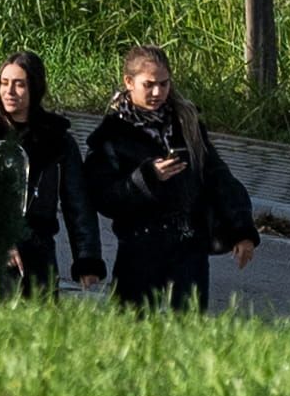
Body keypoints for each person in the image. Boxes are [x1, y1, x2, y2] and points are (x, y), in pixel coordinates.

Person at [96, 43, 247, 313]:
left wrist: (242, 230)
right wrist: (147, 177)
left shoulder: (185, 124)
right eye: (149, 84)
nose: (157, 92)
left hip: (188, 246)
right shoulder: (112, 135)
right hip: (139, 250)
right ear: (129, 82)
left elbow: (218, 177)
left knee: (187, 333)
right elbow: (105, 197)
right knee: (132, 333)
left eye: (164, 84)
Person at [0, 50, 89, 295]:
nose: (9, 92)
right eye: (4, 83)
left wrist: (86, 259)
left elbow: (78, 203)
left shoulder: (56, 139)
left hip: (39, 251)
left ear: (35, 88)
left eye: (19, 85)